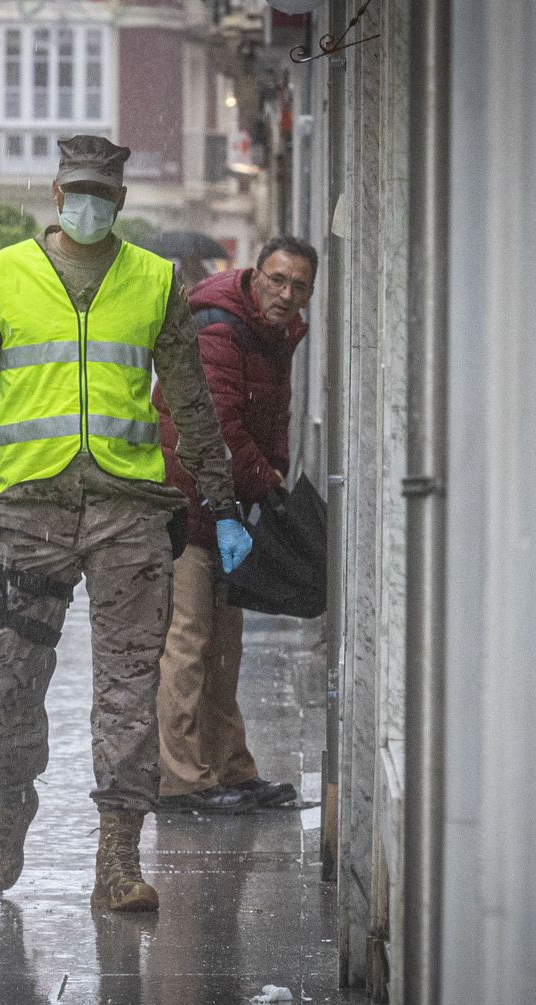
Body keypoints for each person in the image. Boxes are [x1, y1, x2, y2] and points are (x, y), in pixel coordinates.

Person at [0, 135, 251, 912]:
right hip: (30, 513)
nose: (89, 204)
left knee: (130, 691)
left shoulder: (155, 281)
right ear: (57, 197)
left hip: (130, 513)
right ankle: (12, 797)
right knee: (14, 685)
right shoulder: (4, 277)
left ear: (118, 202)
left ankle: (118, 856)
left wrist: (221, 502)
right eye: (77, 191)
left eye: (103, 193)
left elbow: (191, 402)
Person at [151, 235, 316, 814]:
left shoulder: (276, 335)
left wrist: (270, 471)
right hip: (188, 504)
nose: (285, 293)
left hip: (227, 508)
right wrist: (266, 482)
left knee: (225, 646)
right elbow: (214, 424)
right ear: (254, 275)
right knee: (189, 642)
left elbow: (272, 418)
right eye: (276, 279)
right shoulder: (220, 326)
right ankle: (181, 779)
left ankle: (229, 768)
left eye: (298, 286)